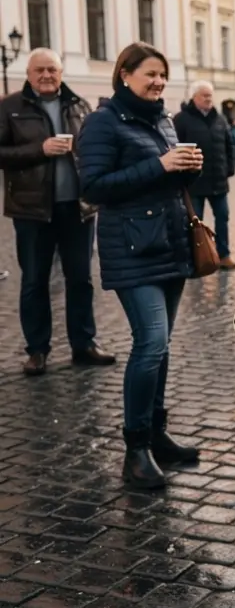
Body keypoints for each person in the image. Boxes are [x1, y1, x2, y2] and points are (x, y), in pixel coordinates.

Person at [77, 43, 204, 491]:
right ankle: (135, 450)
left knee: (163, 345)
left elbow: (165, 180)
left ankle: (155, 434)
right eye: (151, 75)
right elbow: (93, 187)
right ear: (125, 74)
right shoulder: (102, 122)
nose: (159, 82)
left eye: (163, 76)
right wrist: (160, 164)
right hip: (131, 247)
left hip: (169, 243)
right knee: (150, 343)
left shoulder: (162, 119)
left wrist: (186, 168)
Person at [0, 48, 115, 375]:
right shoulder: (10, 107)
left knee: (80, 279)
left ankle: (84, 344)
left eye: (52, 69)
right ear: (29, 73)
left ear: (61, 72)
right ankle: (37, 350)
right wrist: (40, 149)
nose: (46, 75)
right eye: (40, 70)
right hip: (31, 210)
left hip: (78, 209)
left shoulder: (79, 104)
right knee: (34, 282)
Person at [172, 81, 235, 269]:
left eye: (210, 95)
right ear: (194, 97)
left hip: (218, 180)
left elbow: (229, 145)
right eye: (204, 95)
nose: (209, 99)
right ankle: (195, 258)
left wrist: (229, 169)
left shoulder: (220, 119)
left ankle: (224, 255)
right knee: (195, 222)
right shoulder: (181, 119)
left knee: (223, 218)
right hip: (195, 182)